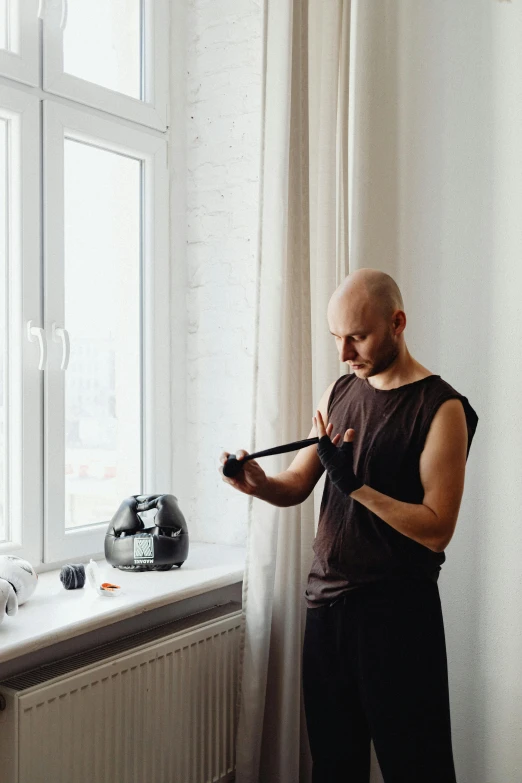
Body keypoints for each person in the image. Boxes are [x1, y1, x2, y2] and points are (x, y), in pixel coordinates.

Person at [219, 268, 478, 783]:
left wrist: (356, 485)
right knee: (335, 769)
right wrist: (257, 483)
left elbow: (436, 527)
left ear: (397, 323)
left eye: (357, 337)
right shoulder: (339, 393)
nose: (344, 353)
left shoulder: (441, 408)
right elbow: (296, 484)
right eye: (337, 337)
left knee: (417, 769)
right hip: (326, 613)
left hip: (398, 618)